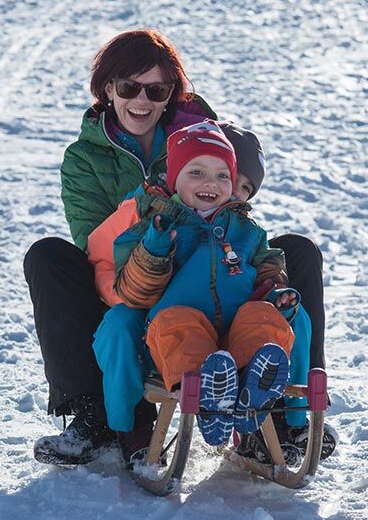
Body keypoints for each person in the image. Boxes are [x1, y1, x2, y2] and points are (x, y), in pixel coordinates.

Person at [25, 29, 328, 466]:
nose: (142, 100)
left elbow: (233, 196)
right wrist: (142, 291)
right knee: (48, 256)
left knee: (297, 250)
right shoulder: (84, 159)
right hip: (132, 280)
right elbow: (96, 247)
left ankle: (282, 415)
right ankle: (92, 416)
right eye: (129, 87)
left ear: (172, 94)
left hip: (212, 272)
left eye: (157, 89)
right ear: (108, 88)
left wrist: (250, 269)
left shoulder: (203, 134)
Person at [90, 122, 310, 468]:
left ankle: (253, 381)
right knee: (179, 323)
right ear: (174, 179)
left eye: (224, 176)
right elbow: (133, 291)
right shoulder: (154, 226)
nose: (212, 184)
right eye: (197, 172)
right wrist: (155, 249)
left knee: (263, 317)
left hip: (234, 330)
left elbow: (267, 261)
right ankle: (209, 393)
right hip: (176, 330)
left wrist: (274, 287)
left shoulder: (246, 229)